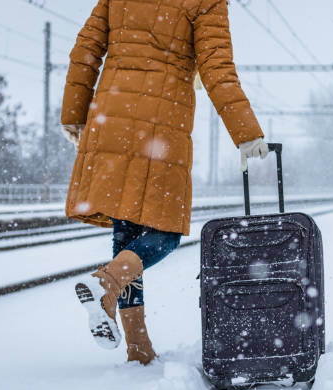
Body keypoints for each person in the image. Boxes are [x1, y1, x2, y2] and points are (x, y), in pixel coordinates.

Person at [61, 0, 268, 365]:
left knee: (127, 237)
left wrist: (74, 115)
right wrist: (246, 132)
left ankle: (138, 349)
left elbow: (86, 51)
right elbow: (217, 67)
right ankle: (106, 283)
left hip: (111, 118)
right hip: (161, 125)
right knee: (164, 232)